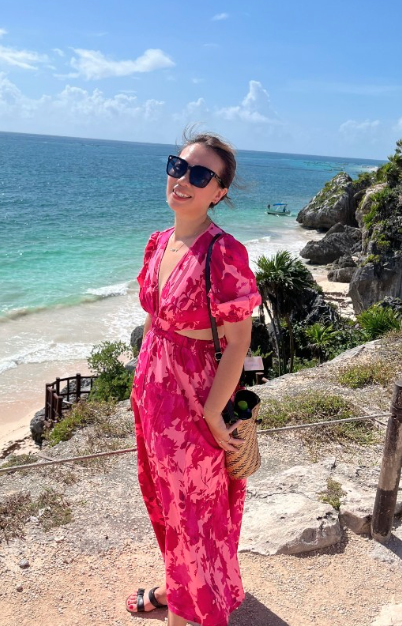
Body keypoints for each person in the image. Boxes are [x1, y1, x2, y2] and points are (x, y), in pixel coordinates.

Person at [127, 130, 261, 626]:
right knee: (163, 502)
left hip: (193, 399)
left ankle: (186, 612)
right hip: (153, 394)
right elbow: (154, 320)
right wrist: (138, 383)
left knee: (196, 514)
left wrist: (210, 410)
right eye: (178, 167)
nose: (183, 180)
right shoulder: (159, 242)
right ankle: (177, 584)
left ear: (218, 192)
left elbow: (239, 343)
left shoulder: (223, 252)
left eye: (200, 175)